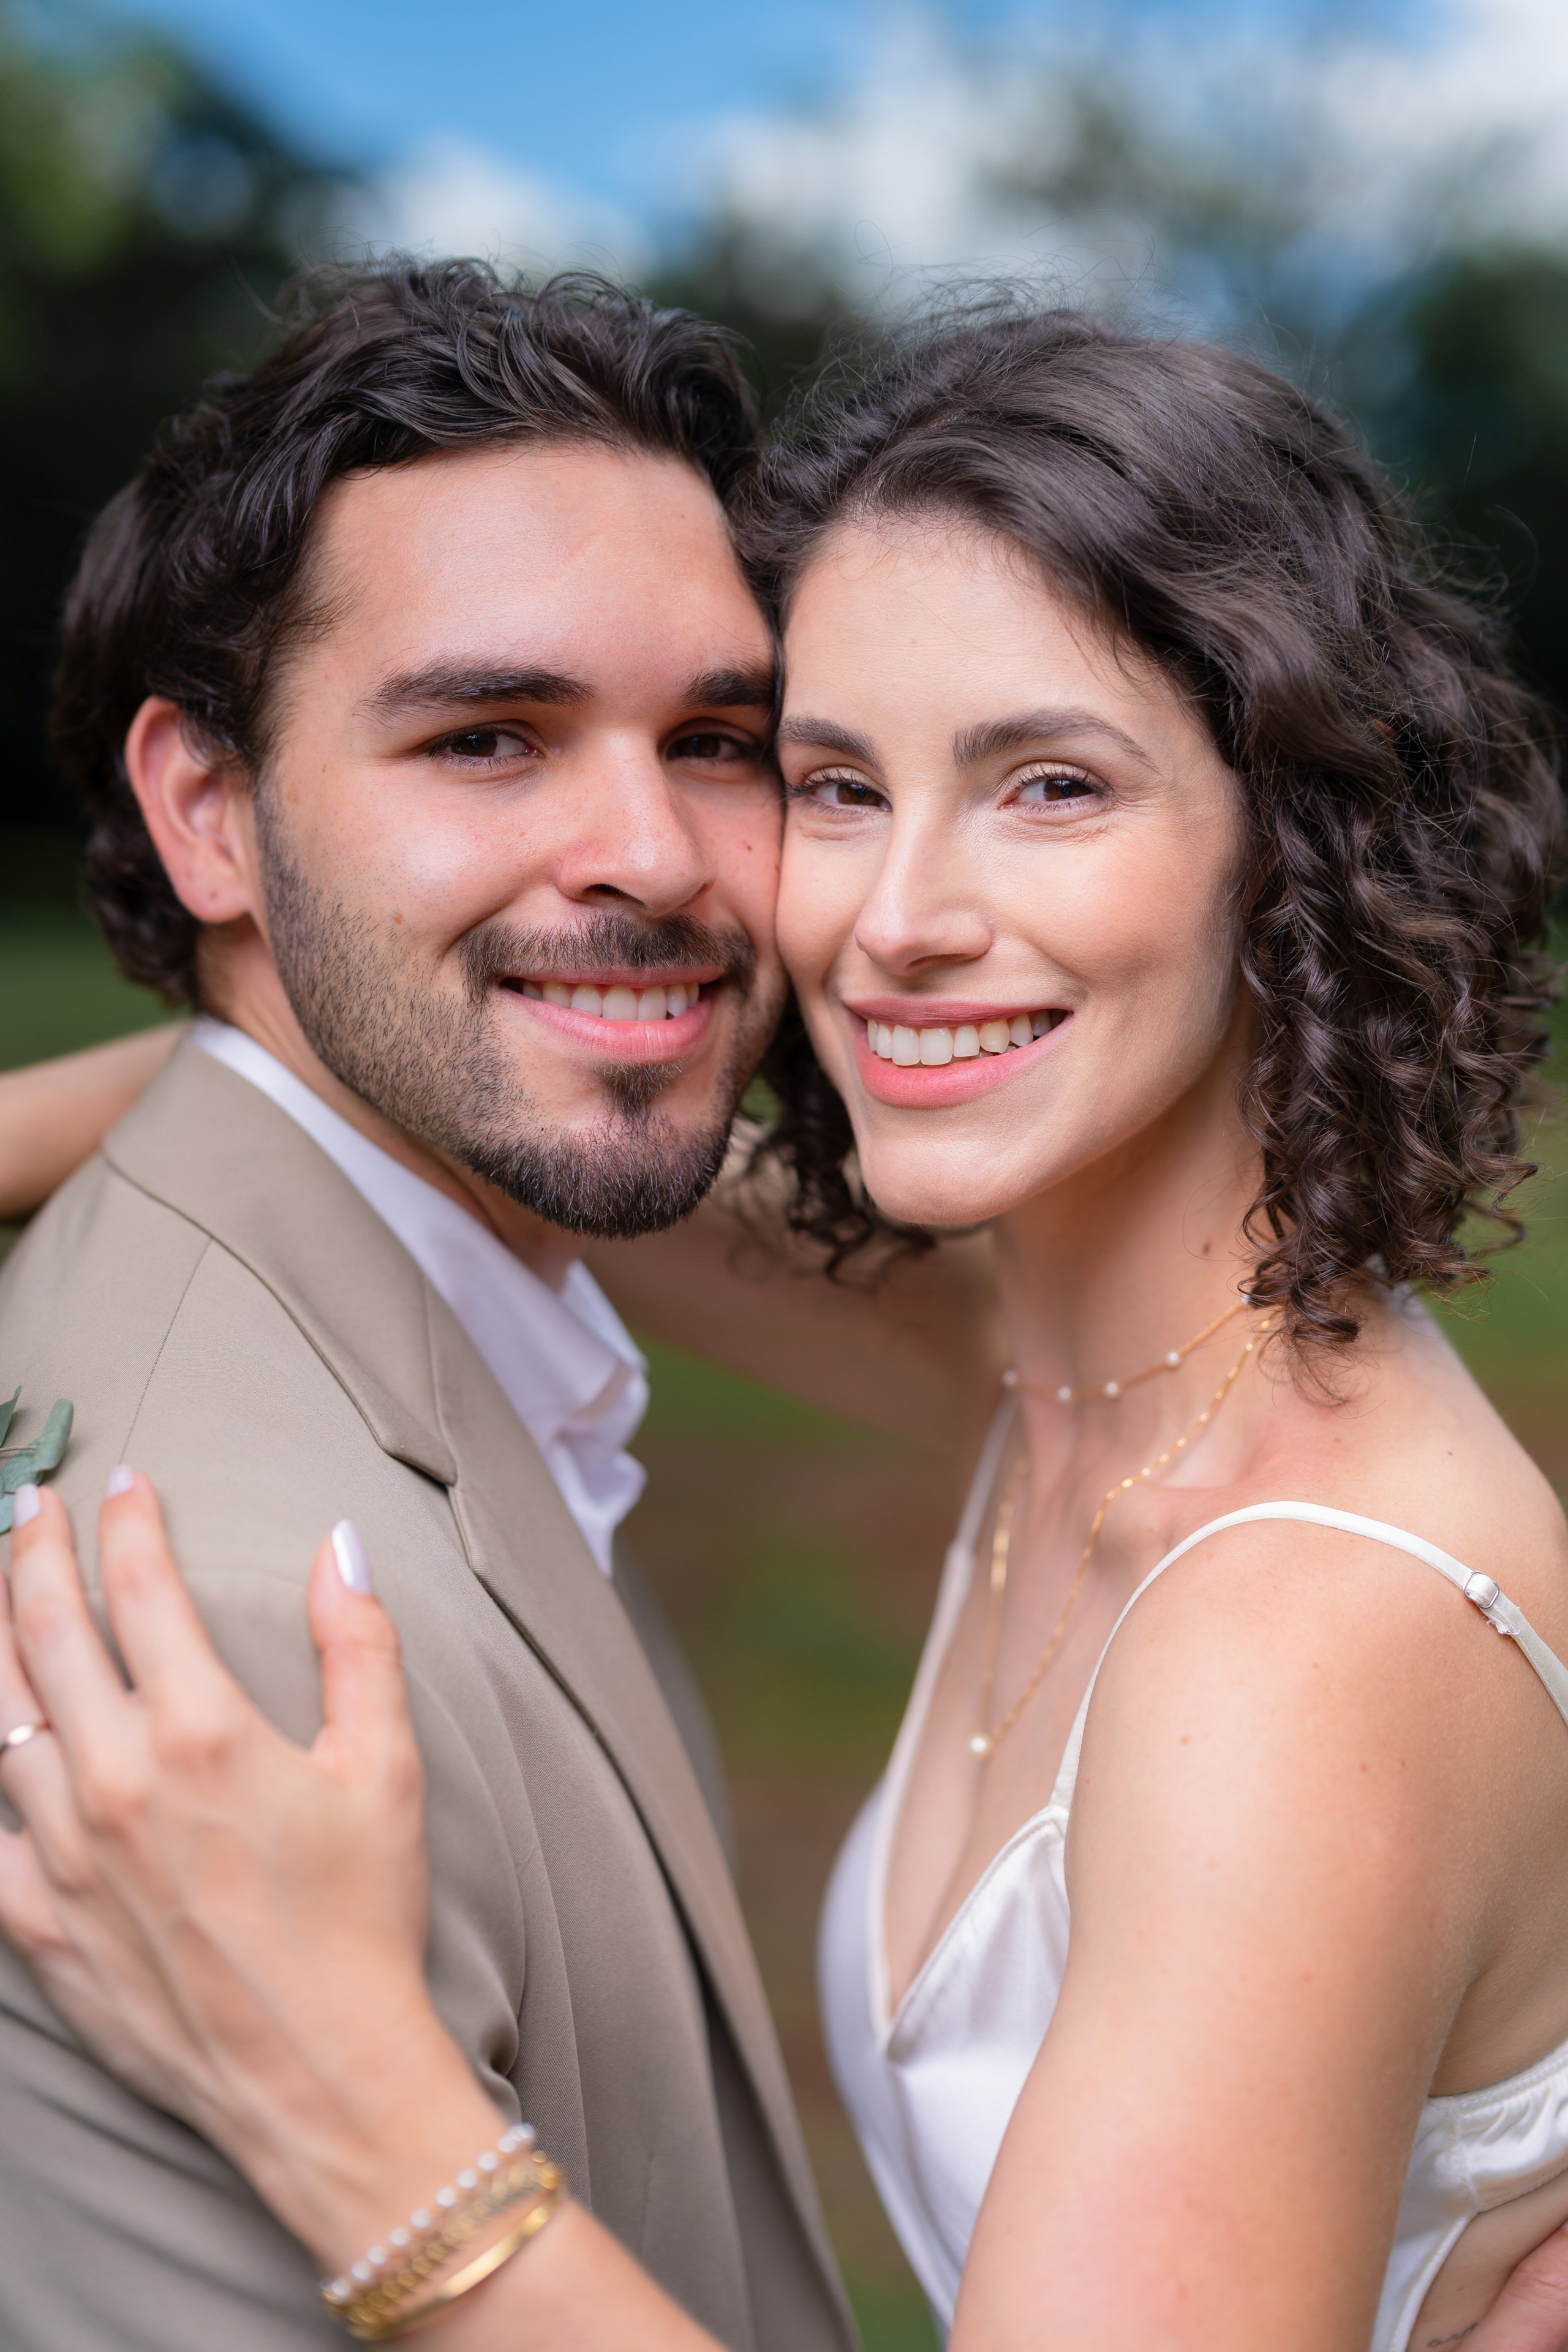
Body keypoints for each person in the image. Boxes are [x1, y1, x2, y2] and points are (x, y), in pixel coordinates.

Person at [4, 306, 1568, 2352]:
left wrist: (374, 2133)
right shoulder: (1080, 1352)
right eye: (834, 784)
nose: (892, 915)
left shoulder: (1293, 1644)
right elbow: (433, 1064)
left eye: (1051, 786)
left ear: (1294, 835)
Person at [0, 257, 1011, 2352]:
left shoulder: (399, 1226)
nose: (651, 852)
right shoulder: (241, 1647)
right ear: (209, 810)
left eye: (722, 740)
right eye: (489, 736)